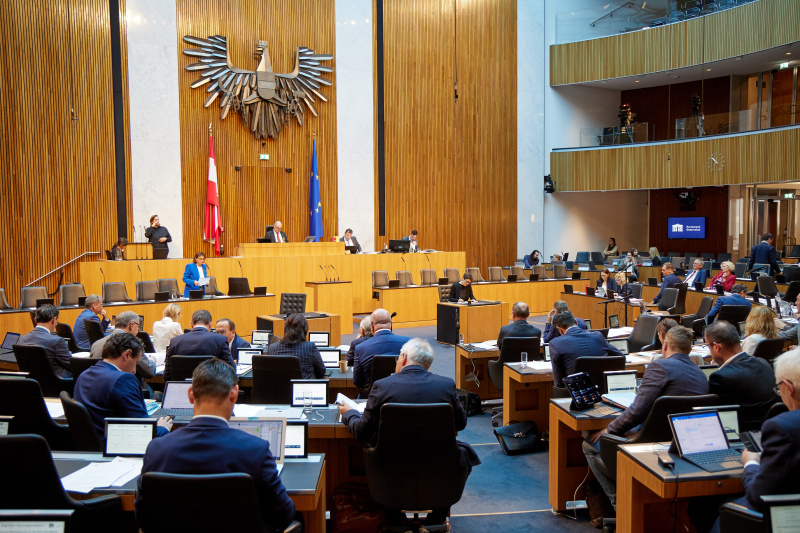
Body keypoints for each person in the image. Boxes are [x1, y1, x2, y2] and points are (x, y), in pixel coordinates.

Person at [135, 359, 296, 531]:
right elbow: (283, 515)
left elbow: (143, 517)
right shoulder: (256, 450)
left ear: (190, 394)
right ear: (234, 394)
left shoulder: (156, 449)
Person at [338, 338, 480, 529]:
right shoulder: (445, 385)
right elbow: (461, 424)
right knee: (464, 453)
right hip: (436, 466)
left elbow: (362, 432)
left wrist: (350, 414)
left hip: (389, 467)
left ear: (403, 358)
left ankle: (397, 521)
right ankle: (435, 520)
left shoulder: (382, 386)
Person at [583, 326, 708, 512]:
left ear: (665, 345)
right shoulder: (700, 374)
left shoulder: (659, 366)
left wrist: (610, 429)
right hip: (683, 445)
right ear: (690, 349)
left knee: (589, 445)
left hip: (649, 445)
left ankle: (620, 505)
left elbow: (636, 411)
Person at [705, 348, 800, 532]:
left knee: (710, 510)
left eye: (778, 388)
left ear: (788, 388)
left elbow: (758, 495)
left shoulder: (782, 426)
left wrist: (751, 463)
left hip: (787, 518)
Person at [74, 333, 172, 438]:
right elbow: (144, 430)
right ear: (127, 354)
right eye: (136, 362)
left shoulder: (84, 375)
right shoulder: (123, 380)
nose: (134, 371)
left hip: (91, 443)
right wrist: (163, 428)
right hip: (117, 446)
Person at [704, 321, 779, 431]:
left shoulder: (721, 377)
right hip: (774, 429)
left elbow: (714, 417)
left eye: (708, 346)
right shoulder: (762, 362)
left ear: (716, 347)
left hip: (745, 436)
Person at [549, 311, 623, 389]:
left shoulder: (555, 343)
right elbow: (620, 357)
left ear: (560, 330)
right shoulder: (597, 336)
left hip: (576, 393)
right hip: (603, 389)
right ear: (576, 322)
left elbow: (559, 383)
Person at [164, 310, 234, 381]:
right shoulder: (220, 340)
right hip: (211, 390)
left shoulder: (175, 341)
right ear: (210, 324)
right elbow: (232, 370)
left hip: (182, 390)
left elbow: (167, 375)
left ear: (191, 324)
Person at [353, 309, 411, 390]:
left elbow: (357, 382)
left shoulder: (360, 348)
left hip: (372, 397)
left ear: (372, 326)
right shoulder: (410, 343)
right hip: (403, 394)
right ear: (391, 324)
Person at [90, 311, 156, 381]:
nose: (138, 330)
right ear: (132, 325)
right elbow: (148, 372)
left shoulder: (96, 344)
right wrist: (152, 360)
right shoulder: (133, 345)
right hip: (124, 387)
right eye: (138, 326)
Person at [19, 304, 72, 378]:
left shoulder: (22, 339)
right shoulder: (57, 341)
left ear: (35, 320)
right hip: (57, 383)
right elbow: (71, 365)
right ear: (53, 320)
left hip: (32, 383)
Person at [266, 313, 326, 379]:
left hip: (280, 389)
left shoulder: (272, 348)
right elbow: (322, 371)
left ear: (286, 329)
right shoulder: (310, 347)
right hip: (304, 388)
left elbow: (270, 375)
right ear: (304, 330)